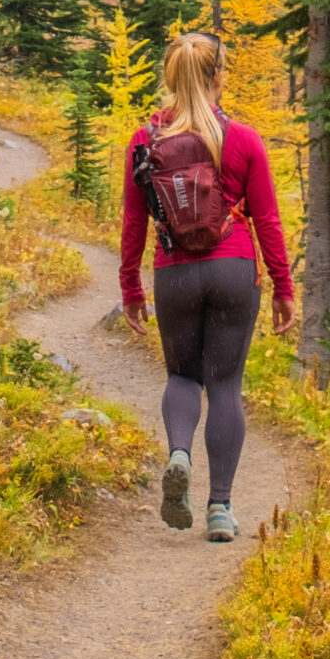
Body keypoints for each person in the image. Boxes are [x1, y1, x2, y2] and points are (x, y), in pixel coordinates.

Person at [119, 29, 295, 542]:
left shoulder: (145, 140)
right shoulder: (241, 139)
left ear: (169, 78)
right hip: (234, 269)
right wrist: (283, 288)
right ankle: (220, 508)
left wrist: (131, 287)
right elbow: (268, 220)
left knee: (182, 377)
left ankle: (178, 453)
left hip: (174, 271)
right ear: (219, 77)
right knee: (224, 386)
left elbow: (134, 222)